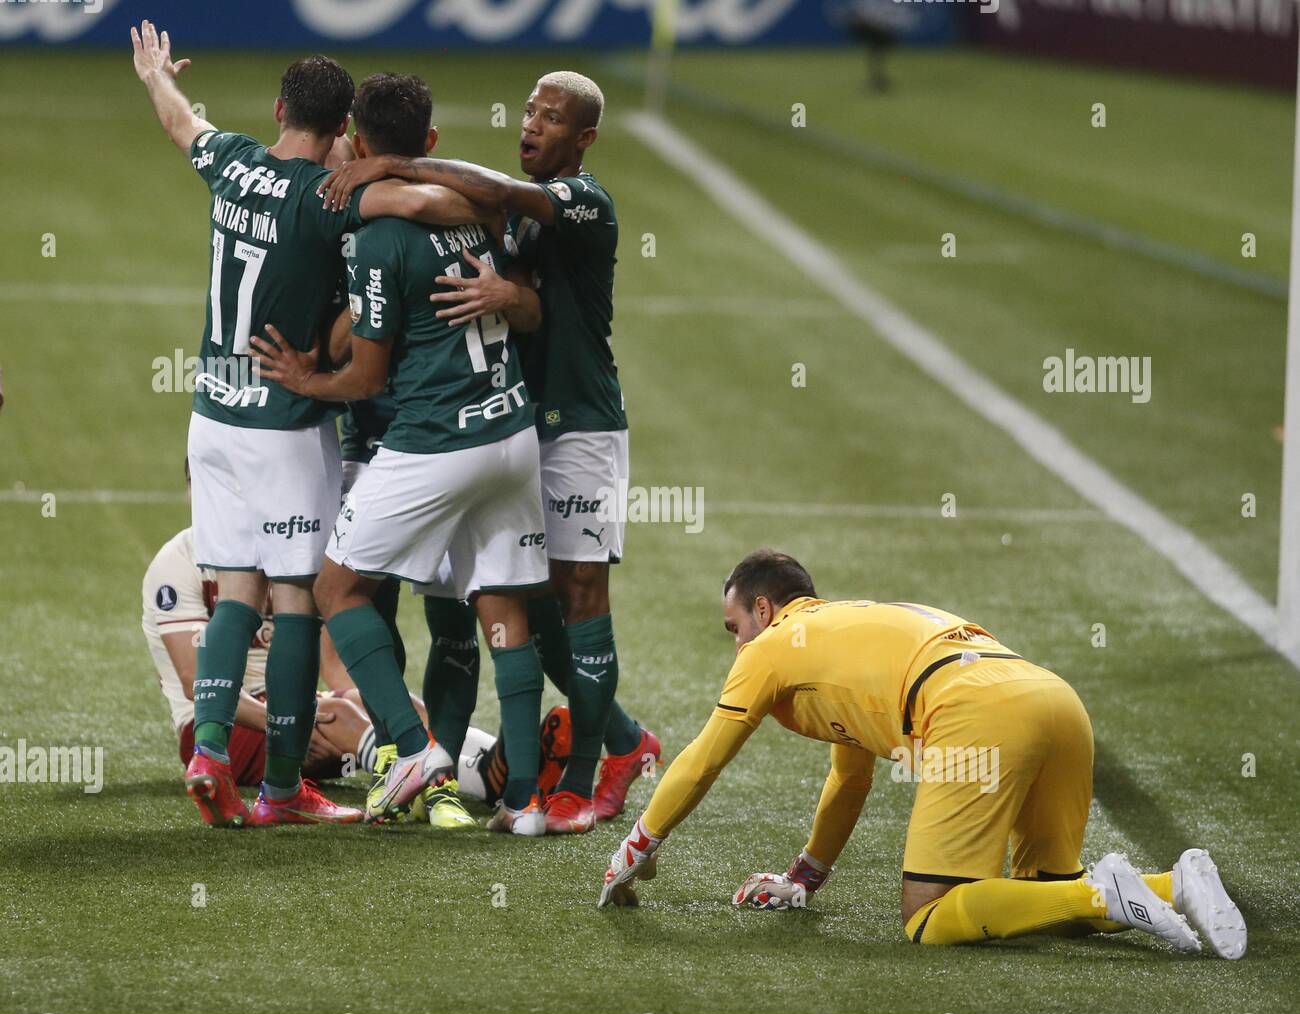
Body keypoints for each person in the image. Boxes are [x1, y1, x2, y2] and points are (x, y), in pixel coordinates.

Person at [130, 20, 483, 828]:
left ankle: (212, 753)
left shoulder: (234, 163)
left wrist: (157, 75)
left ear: (280, 106)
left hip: (211, 415)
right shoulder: (334, 200)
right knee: (293, 598)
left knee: (232, 590)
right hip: (286, 423)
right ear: (343, 132)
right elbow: (440, 202)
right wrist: (391, 166)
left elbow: (182, 121)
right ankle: (284, 790)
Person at [597, 549, 1247, 961]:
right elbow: (848, 778)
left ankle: (1106, 892)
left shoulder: (773, 646)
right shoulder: (846, 628)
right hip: (1053, 701)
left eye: (734, 627)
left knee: (928, 917)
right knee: (1044, 899)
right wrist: (804, 876)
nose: (737, 645)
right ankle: (1176, 883)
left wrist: (639, 842)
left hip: (974, 712)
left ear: (763, 608)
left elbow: (705, 757)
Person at [319, 71, 659, 834]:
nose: (532, 125)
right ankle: (613, 747)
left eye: (552, 118)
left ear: (584, 138)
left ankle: (576, 781)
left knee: (578, 601)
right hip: (518, 426)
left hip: (581, 428)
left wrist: (391, 167)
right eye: (530, 111)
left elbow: (503, 211)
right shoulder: (504, 218)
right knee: (524, 608)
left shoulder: (580, 200)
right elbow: (492, 230)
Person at [252, 72, 551, 835]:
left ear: (354, 140)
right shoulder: (477, 209)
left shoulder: (376, 230)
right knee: (499, 607)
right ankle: (524, 804)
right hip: (511, 433)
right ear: (431, 142)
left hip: (430, 442)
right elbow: (502, 217)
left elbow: (367, 374)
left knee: (335, 589)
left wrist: (305, 378)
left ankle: (416, 752)